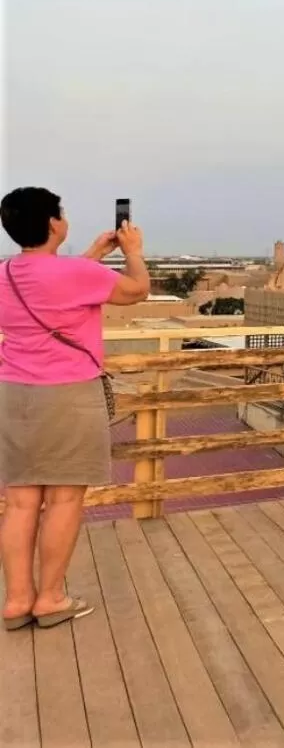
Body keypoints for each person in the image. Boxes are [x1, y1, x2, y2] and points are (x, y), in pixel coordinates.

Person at [0, 188, 150, 630]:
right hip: (67, 393)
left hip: (14, 392)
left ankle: (15, 601)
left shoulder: (5, 273)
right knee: (64, 498)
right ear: (52, 224)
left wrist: (91, 255)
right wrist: (133, 252)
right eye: (61, 213)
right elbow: (136, 290)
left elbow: (50, 287)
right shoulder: (74, 274)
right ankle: (50, 597)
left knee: (20, 501)